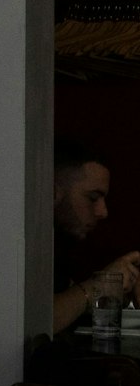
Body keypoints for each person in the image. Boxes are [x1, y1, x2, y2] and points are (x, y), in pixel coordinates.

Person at [51, 137, 138, 334]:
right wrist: (100, 286)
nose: (103, 212)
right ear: (52, 192)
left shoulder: (59, 247)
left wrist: (124, 293)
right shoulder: (19, 245)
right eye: (93, 198)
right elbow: (34, 322)